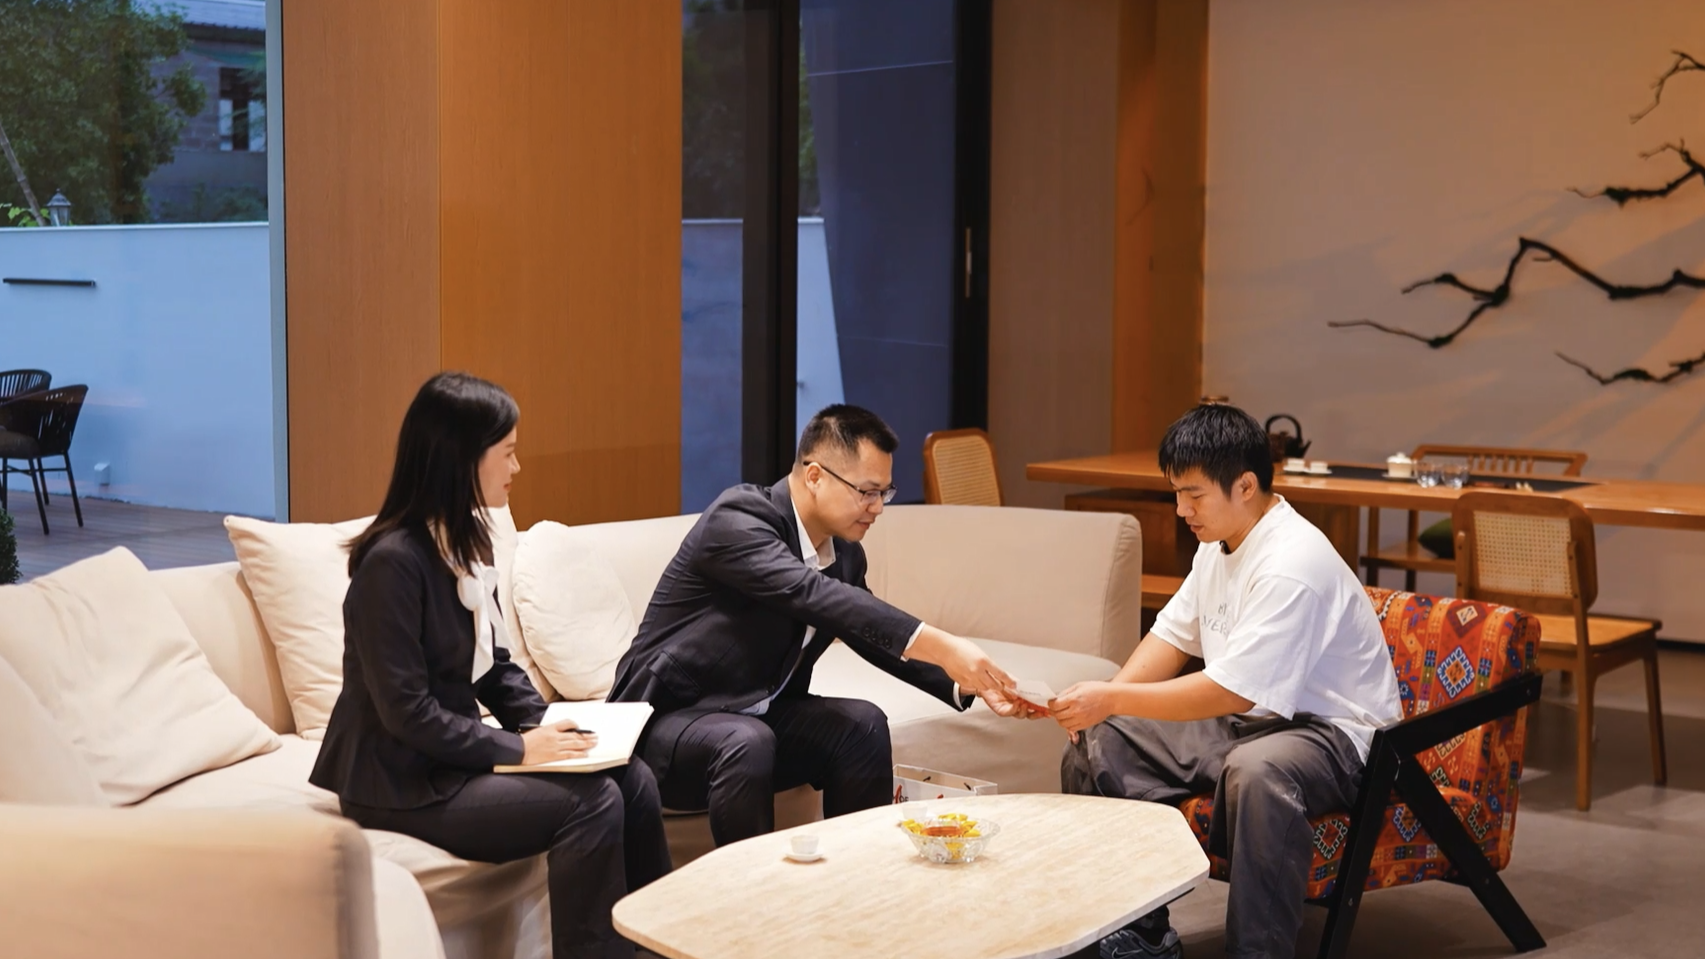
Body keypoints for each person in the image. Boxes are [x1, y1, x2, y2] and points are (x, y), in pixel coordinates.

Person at [310, 372, 670, 959]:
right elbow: (406, 713)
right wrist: (519, 750)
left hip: (447, 761)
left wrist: (549, 729)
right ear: (463, 458)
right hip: (399, 782)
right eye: (507, 452)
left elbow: (495, 667)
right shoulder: (392, 564)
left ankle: (661, 946)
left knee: (633, 778)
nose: (517, 467)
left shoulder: (464, 543)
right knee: (593, 802)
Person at [1052, 403, 1401, 959]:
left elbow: (1232, 690)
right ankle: (1136, 930)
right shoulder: (1217, 546)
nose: (1181, 509)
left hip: (1334, 736)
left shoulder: (1292, 562)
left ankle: (1258, 952)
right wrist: (1105, 708)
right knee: (1100, 740)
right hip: (1249, 722)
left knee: (1257, 772)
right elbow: (1171, 638)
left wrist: (1112, 696)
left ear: (1245, 486)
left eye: (1194, 495)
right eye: (1176, 493)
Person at [609, 404, 1027, 846]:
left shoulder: (844, 554)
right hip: (667, 724)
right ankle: (754, 888)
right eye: (866, 492)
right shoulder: (739, 520)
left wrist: (971, 683)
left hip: (757, 722)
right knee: (746, 739)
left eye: (884, 493)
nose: (877, 508)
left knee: (861, 725)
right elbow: (816, 596)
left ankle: (856, 873)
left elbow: (868, 632)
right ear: (814, 476)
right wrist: (947, 646)